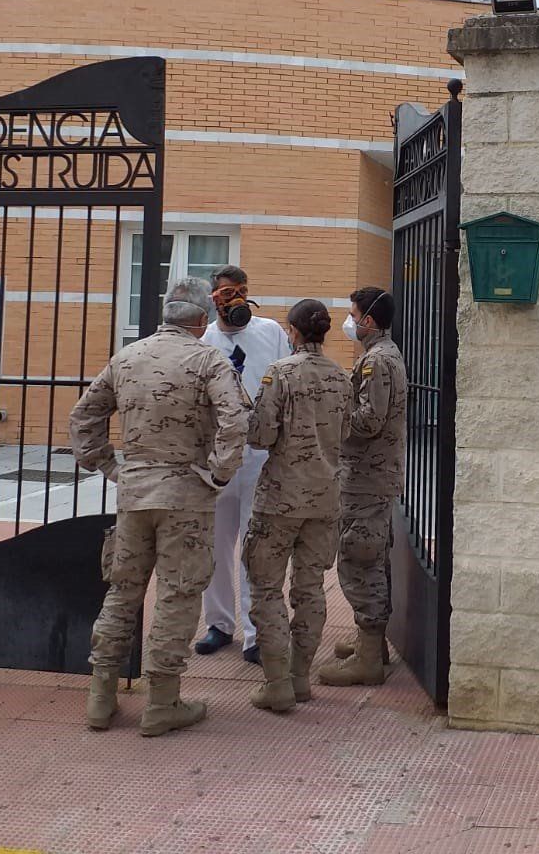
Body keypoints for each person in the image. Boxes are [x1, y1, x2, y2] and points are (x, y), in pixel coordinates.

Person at [69, 277, 249, 737]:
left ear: (166, 312)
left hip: (134, 493)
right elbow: (236, 421)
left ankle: (100, 697)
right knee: (177, 594)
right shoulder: (208, 359)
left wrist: (110, 466)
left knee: (122, 591)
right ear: (202, 320)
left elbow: (84, 417)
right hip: (187, 495)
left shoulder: (127, 356)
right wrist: (219, 473)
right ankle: (163, 702)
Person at [242, 298, 349, 712]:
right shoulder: (341, 377)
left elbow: (260, 437)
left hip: (280, 500)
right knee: (310, 589)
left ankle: (276, 682)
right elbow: (347, 433)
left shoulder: (280, 374)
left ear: (294, 331)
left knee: (266, 587)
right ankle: (300, 677)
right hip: (324, 500)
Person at [195, 264, 291, 665]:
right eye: (227, 293)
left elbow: (287, 383)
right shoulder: (202, 339)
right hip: (217, 455)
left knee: (256, 545)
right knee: (215, 542)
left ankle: (255, 632)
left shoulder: (271, 332)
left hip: (259, 454)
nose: (236, 299)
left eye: (242, 291)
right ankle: (219, 624)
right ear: (213, 299)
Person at [319, 287, 407, 688]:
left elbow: (369, 420)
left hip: (366, 478)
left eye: (353, 315)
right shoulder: (382, 354)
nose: (349, 322)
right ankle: (371, 643)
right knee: (370, 555)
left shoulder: (377, 360)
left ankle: (369, 658)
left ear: (368, 320)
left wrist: (334, 419)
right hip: (371, 475)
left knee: (359, 558)